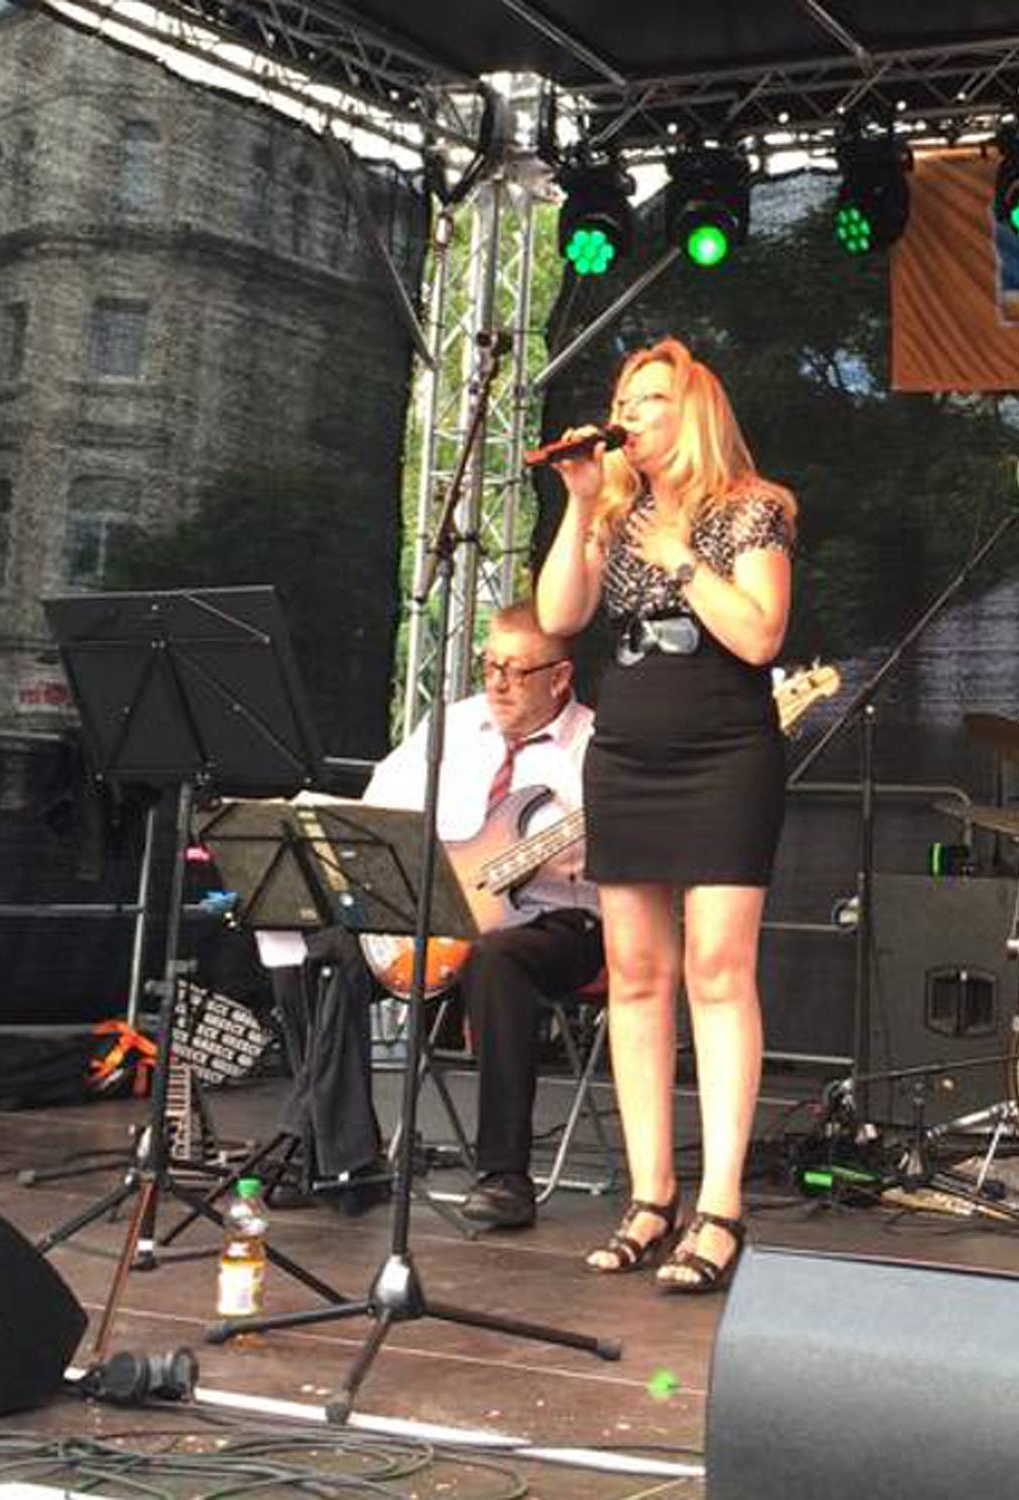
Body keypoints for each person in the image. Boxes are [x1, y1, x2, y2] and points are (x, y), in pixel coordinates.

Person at [536, 336, 796, 1294]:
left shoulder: (752, 507)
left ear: (692, 411)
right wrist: (579, 502)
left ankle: (720, 1206)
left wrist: (682, 560)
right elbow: (559, 616)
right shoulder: (616, 511)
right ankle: (650, 1196)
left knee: (717, 970)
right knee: (636, 975)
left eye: (647, 399)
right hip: (627, 752)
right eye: (623, 400)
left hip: (725, 751)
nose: (627, 416)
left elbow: (760, 636)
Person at [256, 602, 602, 1230]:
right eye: (489, 666)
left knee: (497, 960)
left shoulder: (596, 748)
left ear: (560, 678)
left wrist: (558, 857)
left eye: (517, 671)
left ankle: (504, 1174)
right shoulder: (453, 725)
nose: (497, 683)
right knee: (312, 945)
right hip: (435, 910)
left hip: (554, 921)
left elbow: (634, 856)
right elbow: (377, 817)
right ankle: (339, 1153)